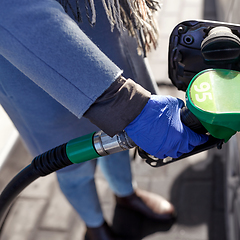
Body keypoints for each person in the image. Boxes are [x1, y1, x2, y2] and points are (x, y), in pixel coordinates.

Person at [0, 0, 208, 239]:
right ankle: (94, 225)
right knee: (70, 164)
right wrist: (122, 102)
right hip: (31, 68)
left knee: (118, 138)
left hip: (102, 31)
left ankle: (126, 193)